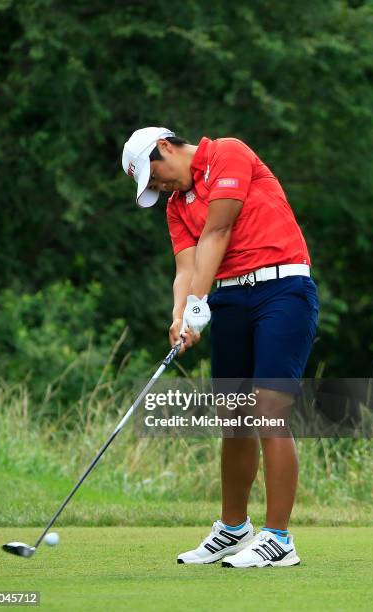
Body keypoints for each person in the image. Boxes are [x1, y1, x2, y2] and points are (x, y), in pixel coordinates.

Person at [122, 127, 319, 568]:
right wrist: (180, 316)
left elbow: (219, 229)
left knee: (268, 406)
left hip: (282, 289)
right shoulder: (176, 207)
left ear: (166, 147)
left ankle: (279, 539)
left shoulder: (227, 153)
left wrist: (197, 302)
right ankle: (233, 529)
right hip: (230, 299)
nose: (159, 187)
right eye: (151, 188)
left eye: (155, 176)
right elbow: (185, 267)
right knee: (233, 415)